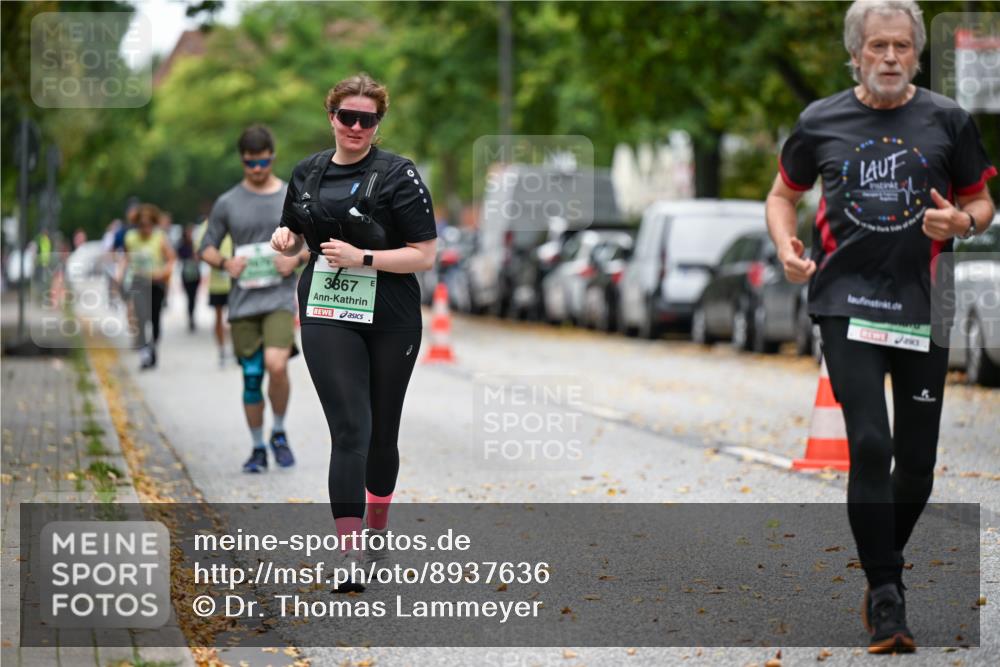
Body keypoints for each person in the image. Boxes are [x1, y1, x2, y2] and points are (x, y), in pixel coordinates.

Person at [765, 0, 996, 653]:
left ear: (916, 54)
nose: (890, 57)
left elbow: (981, 200)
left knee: (916, 466)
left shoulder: (948, 120)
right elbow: (782, 195)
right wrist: (786, 246)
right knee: (870, 445)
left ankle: (880, 563)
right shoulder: (821, 120)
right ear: (856, 53)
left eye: (902, 46)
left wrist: (963, 223)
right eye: (878, 46)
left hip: (927, 303)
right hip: (848, 301)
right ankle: (888, 596)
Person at [271, 73, 437, 591]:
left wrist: (364, 257)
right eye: (348, 117)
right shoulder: (307, 172)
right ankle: (348, 551)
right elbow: (295, 234)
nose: (357, 127)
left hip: (391, 314)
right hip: (327, 307)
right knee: (349, 430)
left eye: (368, 119)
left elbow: (424, 255)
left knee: (382, 432)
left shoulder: (398, 175)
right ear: (332, 117)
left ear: (378, 124)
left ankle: (378, 527)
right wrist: (286, 240)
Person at [199, 125, 305, 473]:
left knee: (277, 365)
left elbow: (312, 242)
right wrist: (225, 263)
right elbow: (206, 247)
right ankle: (258, 447)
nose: (257, 169)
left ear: (272, 157)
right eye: (250, 163)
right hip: (243, 303)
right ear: (242, 160)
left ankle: (279, 431)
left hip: (278, 299)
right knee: (252, 376)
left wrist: (294, 258)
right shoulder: (228, 202)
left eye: (263, 162)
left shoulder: (290, 195)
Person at [119, 204, 177, 369]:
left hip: (156, 283)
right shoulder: (131, 238)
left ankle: (152, 347)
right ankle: (144, 351)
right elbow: (126, 258)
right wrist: (120, 274)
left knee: (155, 320)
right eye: (141, 225)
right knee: (140, 318)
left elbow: (171, 259)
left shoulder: (160, 237)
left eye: (148, 225)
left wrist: (164, 272)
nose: (145, 228)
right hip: (138, 281)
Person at [196, 219, 234, 367]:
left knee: (237, 318)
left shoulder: (235, 217)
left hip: (236, 280)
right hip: (217, 282)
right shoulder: (207, 224)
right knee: (218, 317)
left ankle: (235, 349)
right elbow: (199, 251)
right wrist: (218, 261)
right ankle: (222, 350)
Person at [177, 224, 201, 332]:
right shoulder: (182, 245)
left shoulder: (195, 245)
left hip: (195, 274)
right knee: (189, 297)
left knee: (193, 297)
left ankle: (192, 316)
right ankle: (190, 316)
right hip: (186, 274)